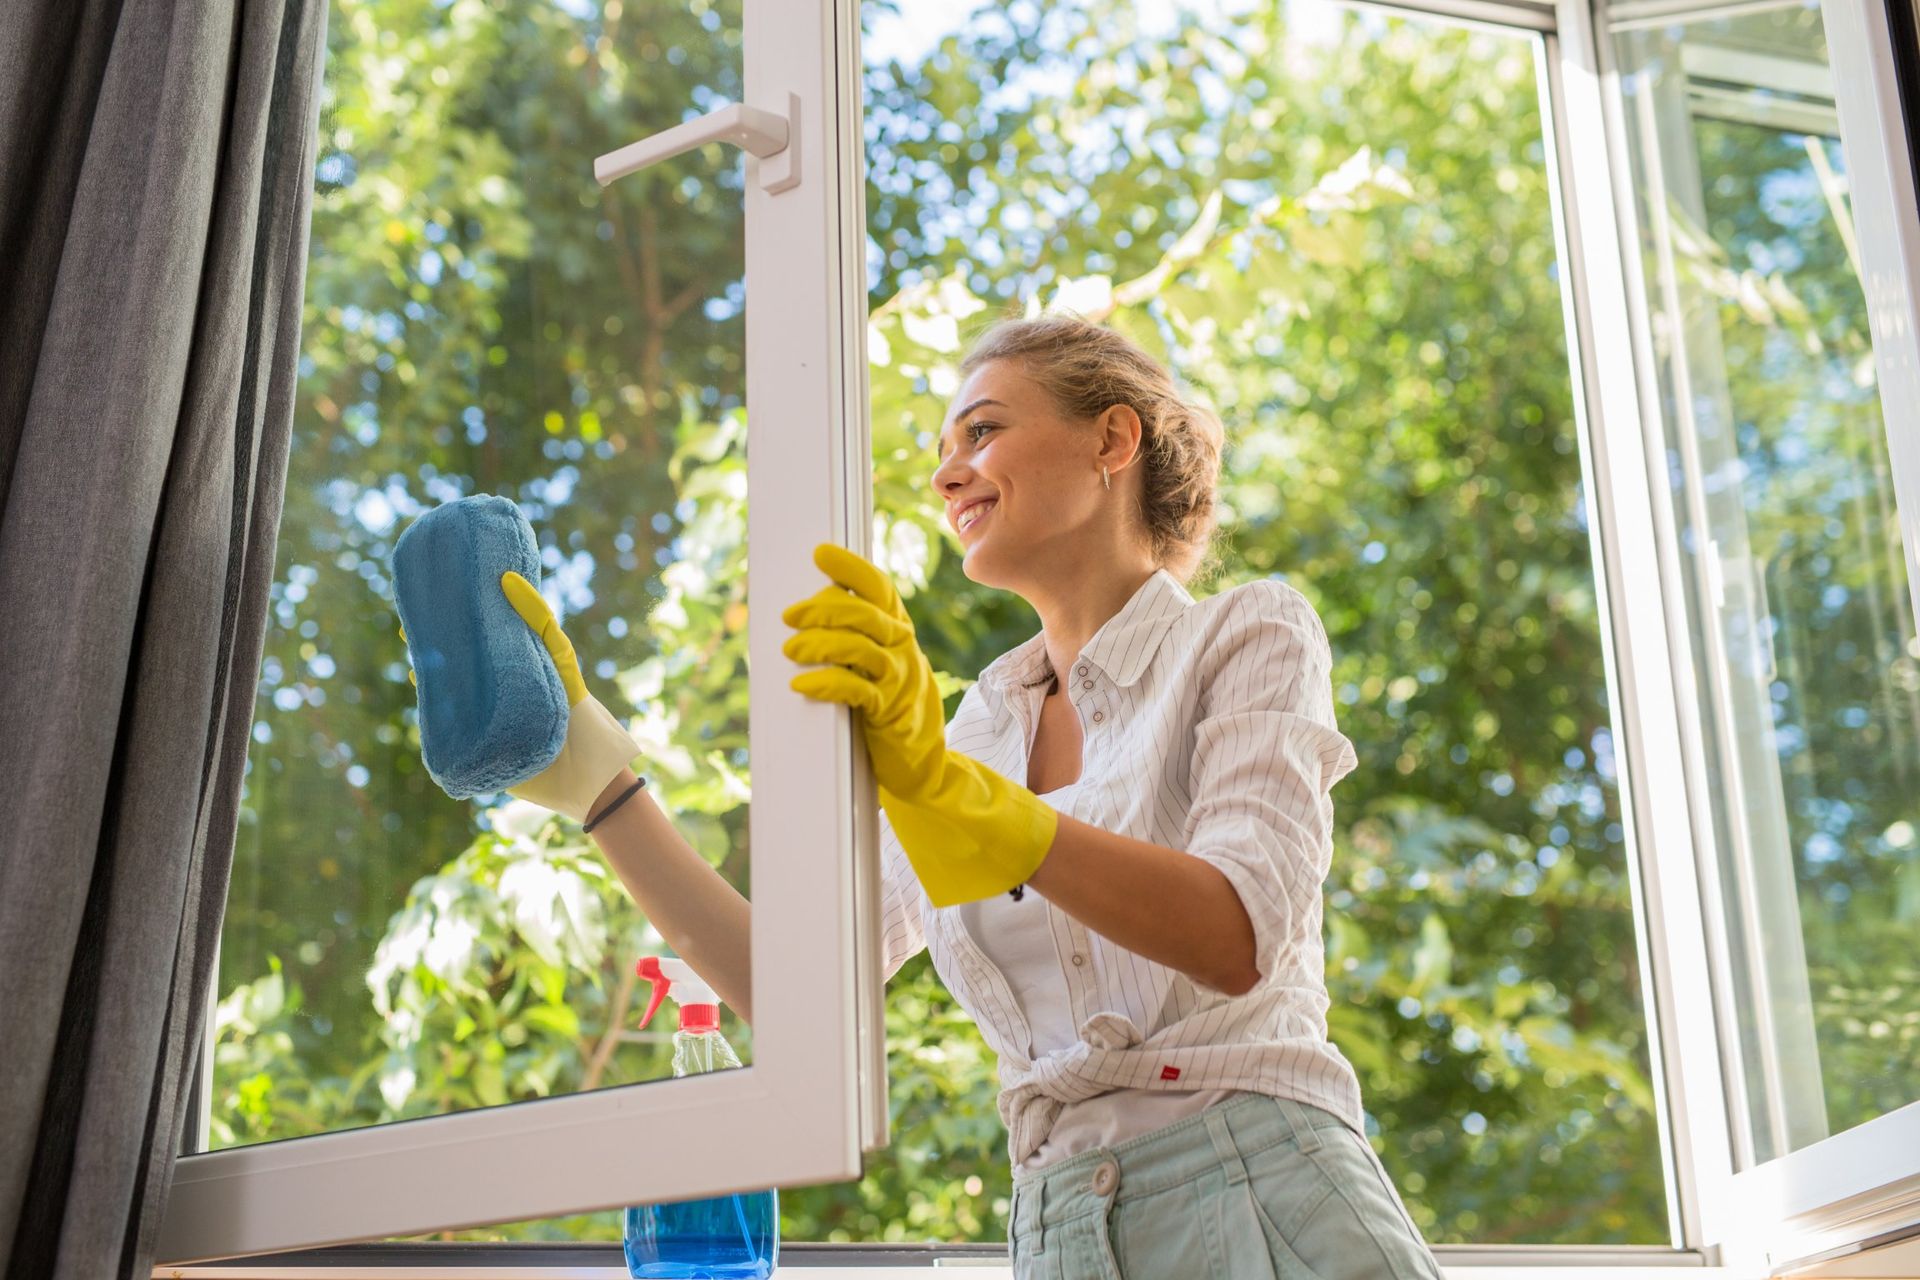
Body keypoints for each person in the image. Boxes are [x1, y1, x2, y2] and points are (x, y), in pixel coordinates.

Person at [466, 314, 1444, 1278]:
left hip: (1259, 1192)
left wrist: (958, 797)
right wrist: (607, 790)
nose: (946, 473)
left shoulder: (1245, 636)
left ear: (1112, 437)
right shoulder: (978, 730)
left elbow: (1235, 933)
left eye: (983, 430)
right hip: (1055, 1228)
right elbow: (802, 996)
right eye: (942, 449)